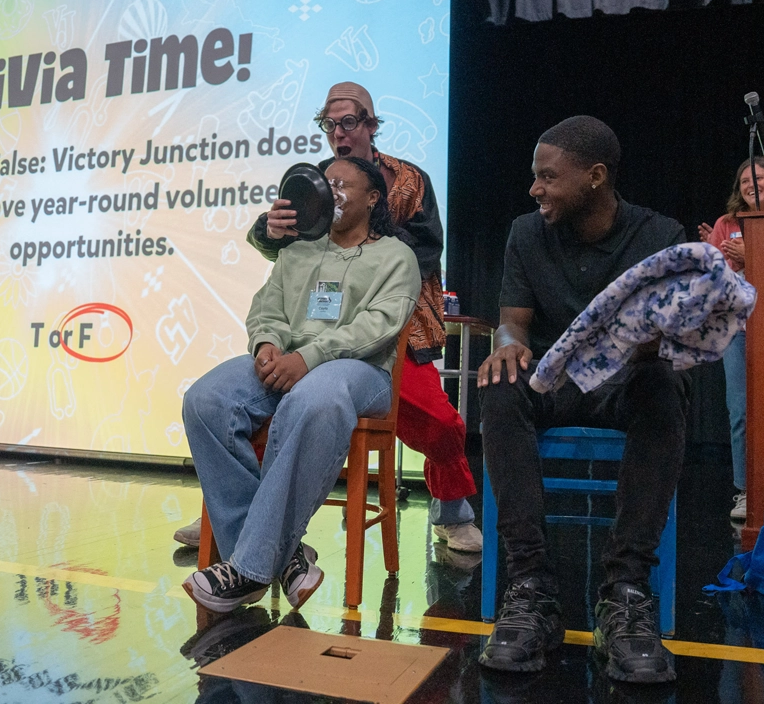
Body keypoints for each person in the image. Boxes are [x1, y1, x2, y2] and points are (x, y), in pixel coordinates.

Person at [176, 81, 483, 553]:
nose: (338, 132)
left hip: (386, 328)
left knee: (440, 421)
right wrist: (267, 229)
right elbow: (284, 254)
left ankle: (453, 506)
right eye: (329, 123)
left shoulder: (407, 180)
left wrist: (366, 240)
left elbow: (425, 249)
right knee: (248, 400)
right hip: (309, 332)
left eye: (348, 121)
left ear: (370, 125)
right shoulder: (315, 181)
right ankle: (235, 514)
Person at [477, 115, 687, 683]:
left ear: (595, 177)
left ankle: (624, 592)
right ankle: (530, 587)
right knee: (497, 385)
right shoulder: (526, 232)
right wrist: (506, 346)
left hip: (624, 380)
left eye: (547, 177)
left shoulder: (659, 235)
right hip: (552, 379)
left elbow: (668, 336)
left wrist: (655, 339)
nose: (534, 189)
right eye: (534, 177)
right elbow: (513, 324)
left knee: (665, 388)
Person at [180, 156, 420, 612]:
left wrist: (308, 358)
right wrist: (266, 343)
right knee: (205, 400)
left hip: (360, 371)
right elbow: (267, 307)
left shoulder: (396, 256)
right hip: (287, 361)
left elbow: (380, 326)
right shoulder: (298, 249)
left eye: (344, 184)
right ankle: (279, 557)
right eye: (327, 184)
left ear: (373, 198)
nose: (332, 192)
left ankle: (248, 568)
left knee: (316, 396)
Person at [698, 157, 764, 520]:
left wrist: (755, 257)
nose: (751, 184)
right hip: (737, 331)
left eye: (759, 177)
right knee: (740, 411)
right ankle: (745, 491)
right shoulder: (726, 224)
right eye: (744, 179)